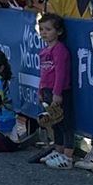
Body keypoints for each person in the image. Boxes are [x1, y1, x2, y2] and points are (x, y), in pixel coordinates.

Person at [35, 14, 74, 168]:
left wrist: (57, 93)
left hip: (59, 90)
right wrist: (40, 90)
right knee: (54, 122)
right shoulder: (45, 51)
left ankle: (68, 155)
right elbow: (43, 73)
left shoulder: (59, 50)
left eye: (48, 29)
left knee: (65, 123)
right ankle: (58, 149)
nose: (44, 32)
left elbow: (61, 73)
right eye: (42, 29)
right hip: (47, 90)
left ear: (58, 32)